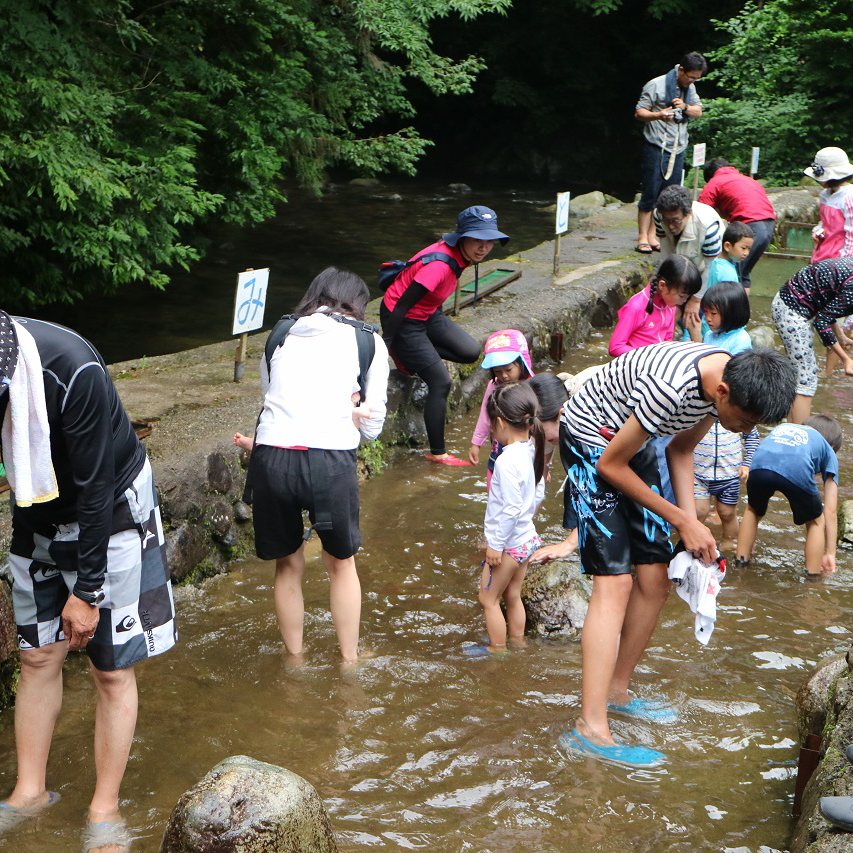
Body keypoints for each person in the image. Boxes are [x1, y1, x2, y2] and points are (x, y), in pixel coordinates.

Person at [556, 342, 795, 765]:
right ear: (722, 392)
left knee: (656, 578)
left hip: (632, 439)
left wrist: (692, 527)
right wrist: (685, 521)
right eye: (743, 422)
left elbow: (679, 449)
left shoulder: (724, 381)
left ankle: (616, 690)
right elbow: (610, 466)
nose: (743, 432)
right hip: (592, 438)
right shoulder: (673, 388)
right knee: (615, 581)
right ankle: (590, 727)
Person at [0, 312, 177, 849]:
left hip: (111, 512)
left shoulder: (73, 372)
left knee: (111, 668)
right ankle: (29, 791)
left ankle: (105, 805)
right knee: (36, 655)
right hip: (37, 507)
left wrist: (88, 592)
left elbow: (97, 490)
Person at [247, 268, 389, 663]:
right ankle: (349, 661)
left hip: (272, 457)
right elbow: (374, 426)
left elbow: (270, 398)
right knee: (341, 565)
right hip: (329, 460)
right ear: (357, 305)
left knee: (287, 565)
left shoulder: (279, 334)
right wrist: (353, 412)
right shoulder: (368, 341)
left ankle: (295, 659)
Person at [381, 205, 509, 466]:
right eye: (477, 240)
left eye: (489, 242)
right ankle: (437, 452)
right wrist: (387, 344)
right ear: (462, 237)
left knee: (471, 352)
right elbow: (401, 305)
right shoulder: (439, 265)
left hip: (427, 314)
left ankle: (416, 353)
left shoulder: (461, 257)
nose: (483, 248)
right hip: (403, 319)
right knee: (440, 381)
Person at [690, 283, 759, 550]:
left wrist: (748, 461)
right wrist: (697, 333)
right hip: (707, 439)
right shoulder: (711, 335)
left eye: (713, 313)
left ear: (731, 313)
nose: (707, 318)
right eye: (706, 312)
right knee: (699, 509)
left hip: (727, 447)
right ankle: (699, 543)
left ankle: (730, 544)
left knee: (728, 511)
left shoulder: (741, 341)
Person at [480, 382, 546, 648]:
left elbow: (510, 508)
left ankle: (498, 653)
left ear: (500, 422)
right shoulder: (532, 449)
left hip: (508, 545)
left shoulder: (506, 460)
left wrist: (495, 545)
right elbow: (539, 490)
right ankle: (517, 644)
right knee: (513, 595)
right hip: (527, 539)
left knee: (488, 600)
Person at [736, 415, 841, 577]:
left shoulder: (788, 429)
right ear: (833, 445)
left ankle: (740, 563)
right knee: (816, 521)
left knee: (753, 509)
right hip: (796, 467)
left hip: (759, 461)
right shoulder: (828, 448)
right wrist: (830, 553)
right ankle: (812, 579)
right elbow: (831, 510)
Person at [634, 52, 706, 254]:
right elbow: (639, 112)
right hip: (656, 145)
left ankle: (654, 235)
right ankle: (642, 237)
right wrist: (658, 115)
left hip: (678, 147)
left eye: (696, 79)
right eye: (691, 77)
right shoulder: (655, 84)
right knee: (650, 192)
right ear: (681, 70)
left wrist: (685, 107)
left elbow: (698, 111)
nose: (692, 81)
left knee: (668, 194)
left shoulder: (689, 88)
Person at [771, 257, 853, 422]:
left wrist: (841, 336)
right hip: (791, 310)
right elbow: (821, 322)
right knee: (806, 381)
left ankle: (790, 432)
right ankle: (799, 439)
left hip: (791, 302)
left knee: (799, 379)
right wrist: (846, 359)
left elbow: (827, 302)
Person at [469, 329, 534, 488]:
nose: (503, 376)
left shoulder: (531, 387)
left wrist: (545, 461)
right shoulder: (494, 386)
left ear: (522, 362)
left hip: (526, 449)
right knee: (495, 480)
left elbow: (540, 425)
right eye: (497, 371)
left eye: (508, 370)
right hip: (498, 446)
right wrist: (476, 443)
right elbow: (485, 415)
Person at [699, 158, 776, 291]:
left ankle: (730, 310)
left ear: (710, 176)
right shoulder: (747, 179)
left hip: (749, 228)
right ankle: (743, 310)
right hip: (769, 226)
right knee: (743, 274)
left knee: (733, 275)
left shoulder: (715, 181)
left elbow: (701, 212)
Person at [655, 185, 725, 325]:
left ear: (688, 213)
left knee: (696, 314)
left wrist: (696, 299)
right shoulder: (658, 215)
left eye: (676, 221)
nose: (670, 226)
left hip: (708, 263)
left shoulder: (708, 226)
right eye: (667, 221)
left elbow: (711, 267)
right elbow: (666, 253)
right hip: (683, 257)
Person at [608, 255, 701, 356]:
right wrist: (648, 356)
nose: (684, 301)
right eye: (682, 296)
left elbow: (667, 339)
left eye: (687, 297)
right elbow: (615, 347)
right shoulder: (636, 307)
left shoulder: (670, 306)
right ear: (662, 285)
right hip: (636, 366)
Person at [804, 147, 853, 263]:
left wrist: (845, 264)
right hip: (823, 253)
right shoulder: (825, 195)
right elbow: (825, 223)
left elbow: (851, 234)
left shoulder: (849, 197)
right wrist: (818, 231)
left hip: (841, 259)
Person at [706, 222, 754, 289]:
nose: (746, 253)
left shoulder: (716, 261)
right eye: (743, 248)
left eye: (749, 249)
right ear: (727, 246)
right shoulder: (727, 273)